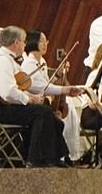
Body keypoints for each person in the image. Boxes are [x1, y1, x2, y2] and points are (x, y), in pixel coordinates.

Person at [0, 26, 69, 167]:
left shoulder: (8, 61)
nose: (26, 45)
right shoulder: (2, 61)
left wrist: (59, 91)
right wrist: (30, 99)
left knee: (45, 111)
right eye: (24, 42)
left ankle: (52, 158)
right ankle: (36, 160)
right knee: (42, 112)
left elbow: (26, 86)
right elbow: (7, 92)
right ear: (16, 42)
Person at [21, 31, 84, 162]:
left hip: (42, 103)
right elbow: (37, 87)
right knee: (55, 122)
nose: (45, 44)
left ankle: (57, 158)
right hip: (32, 104)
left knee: (58, 123)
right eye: (42, 41)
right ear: (33, 42)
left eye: (46, 41)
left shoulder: (41, 61)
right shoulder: (28, 64)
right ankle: (54, 158)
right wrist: (64, 89)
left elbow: (45, 84)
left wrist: (57, 75)